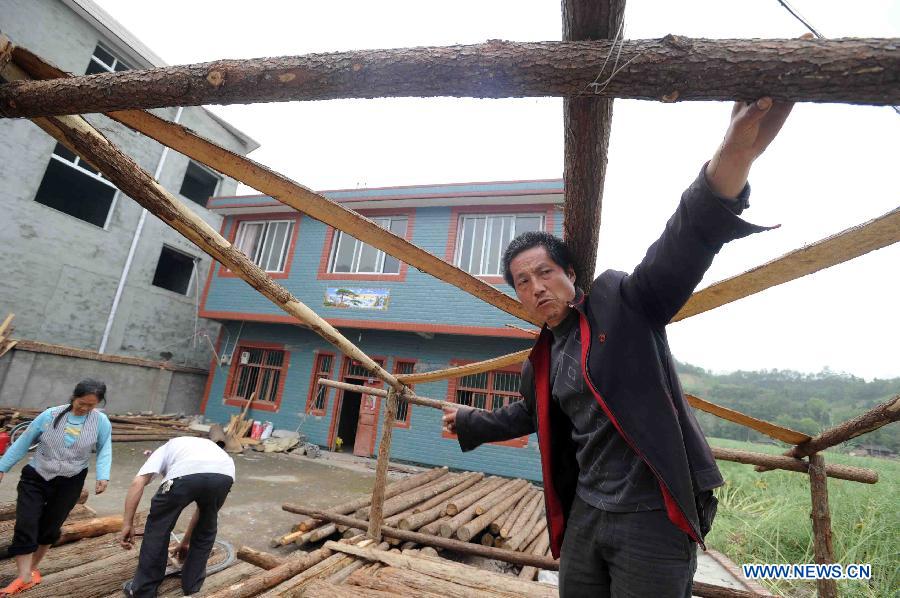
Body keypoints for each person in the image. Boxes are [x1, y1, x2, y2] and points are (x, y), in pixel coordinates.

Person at [442, 98, 793, 597]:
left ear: (571, 276)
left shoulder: (623, 306)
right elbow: (531, 412)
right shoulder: (544, 356)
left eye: (545, 272)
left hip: (651, 515)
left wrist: (735, 150)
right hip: (588, 510)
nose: (537, 287)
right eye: (523, 281)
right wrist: (471, 420)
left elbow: (684, 240)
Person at [0, 379, 112, 595]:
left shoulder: (101, 422)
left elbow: (105, 448)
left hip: (71, 480)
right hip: (37, 475)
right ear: (74, 397)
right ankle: (23, 576)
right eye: (82, 403)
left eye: (91, 405)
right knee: (26, 522)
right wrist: (3, 467)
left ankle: (32, 570)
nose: (85, 408)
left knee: (50, 527)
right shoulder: (50, 415)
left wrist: (103, 475)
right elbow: (24, 441)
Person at [119, 428, 234, 597]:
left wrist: (127, 524)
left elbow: (138, 483)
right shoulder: (206, 449)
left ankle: (143, 590)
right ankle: (192, 586)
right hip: (224, 474)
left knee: (158, 529)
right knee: (206, 529)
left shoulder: (165, 449)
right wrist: (185, 542)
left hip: (187, 475)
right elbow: (202, 513)